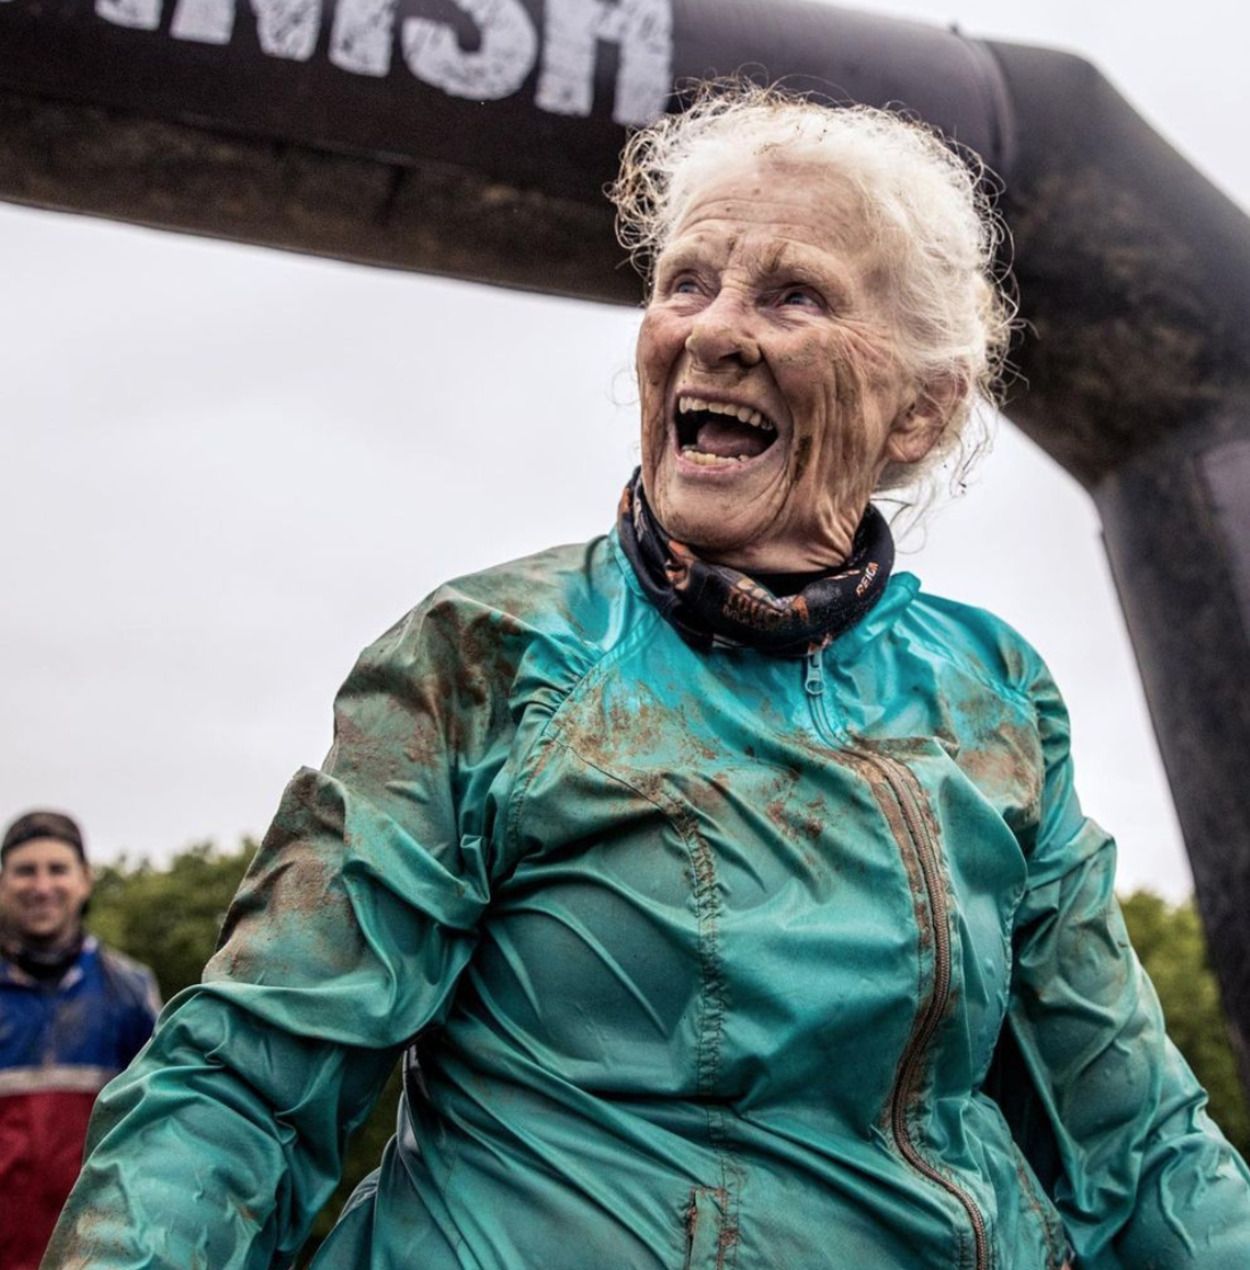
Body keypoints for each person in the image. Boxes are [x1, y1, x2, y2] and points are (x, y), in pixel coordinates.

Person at [47, 83, 1250, 1268]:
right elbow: (247, 1079)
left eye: (792, 294)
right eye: (685, 280)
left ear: (919, 413)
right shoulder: (489, 653)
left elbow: (1130, 1136)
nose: (712, 330)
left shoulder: (990, 692)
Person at [0, 810, 159, 1270]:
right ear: (4, 882)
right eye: (26, 871)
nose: (41, 886)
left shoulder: (130, 991)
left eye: (57, 869)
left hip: (97, 1256)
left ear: (85, 880)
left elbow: (153, 1133)